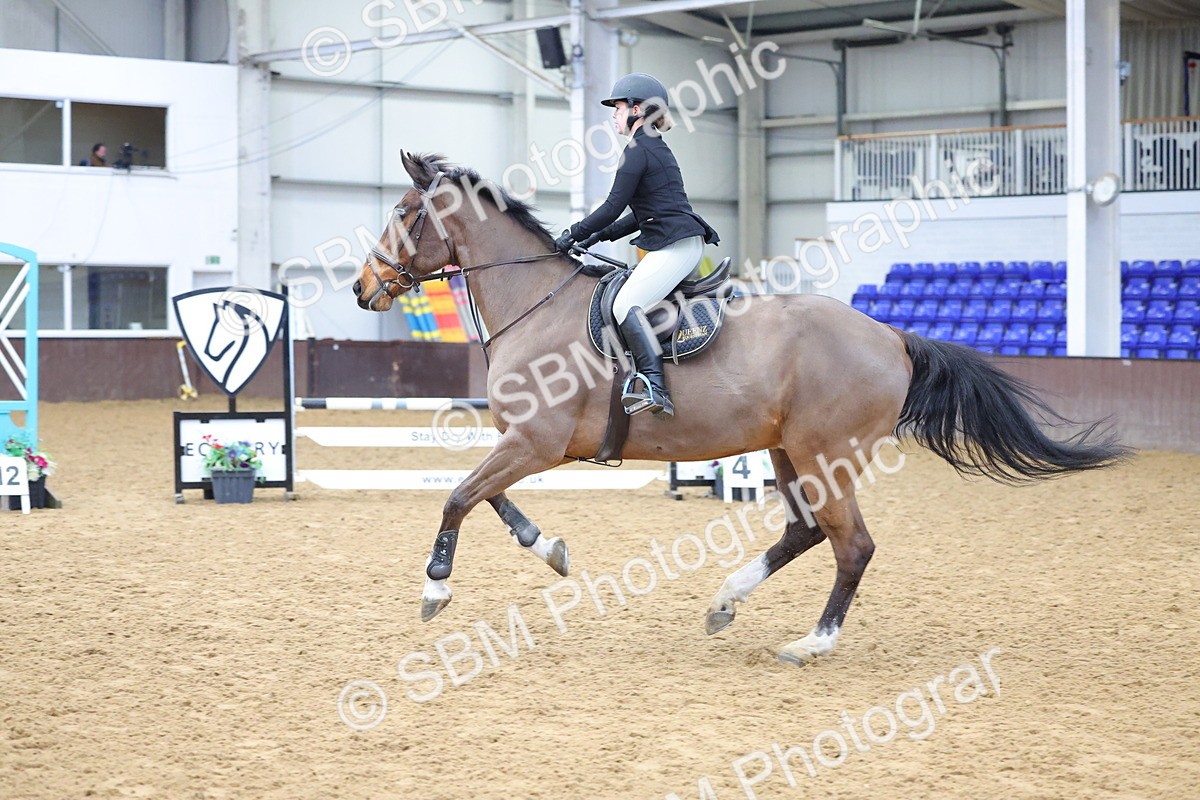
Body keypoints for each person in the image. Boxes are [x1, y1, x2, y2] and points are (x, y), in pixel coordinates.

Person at [554, 73, 719, 418]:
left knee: (626, 303)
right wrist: (596, 236)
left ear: (638, 109)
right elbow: (639, 213)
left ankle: (655, 386)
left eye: (617, 108)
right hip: (676, 242)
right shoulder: (651, 146)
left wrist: (571, 234)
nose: (613, 115)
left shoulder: (637, 150)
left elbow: (613, 205)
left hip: (677, 246)